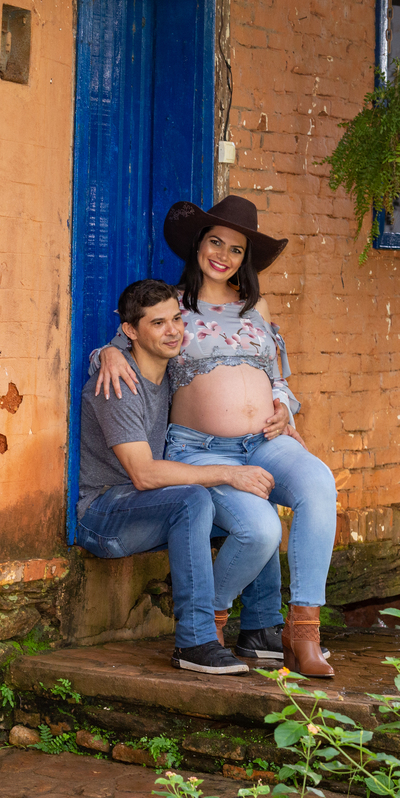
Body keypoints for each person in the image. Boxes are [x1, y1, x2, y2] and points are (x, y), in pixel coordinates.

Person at [94, 196, 337, 678]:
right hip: (201, 449)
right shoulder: (174, 306)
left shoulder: (257, 307)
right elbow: (131, 340)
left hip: (267, 441)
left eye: (236, 249)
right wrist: (107, 352)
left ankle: (303, 630)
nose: (223, 255)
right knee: (262, 530)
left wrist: (283, 405)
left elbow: (281, 378)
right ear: (199, 245)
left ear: (245, 259)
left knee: (319, 484)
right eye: (215, 242)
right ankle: (215, 616)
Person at [77, 278, 295, 675]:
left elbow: (254, 363)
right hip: (104, 516)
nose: (173, 330)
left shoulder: (172, 371)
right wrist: (230, 471)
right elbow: (142, 475)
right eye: (157, 323)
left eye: (176, 318)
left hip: (150, 505)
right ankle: (195, 641)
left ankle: (261, 627)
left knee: (249, 502)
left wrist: (281, 409)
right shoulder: (118, 386)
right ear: (131, 332)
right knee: (195, 497)